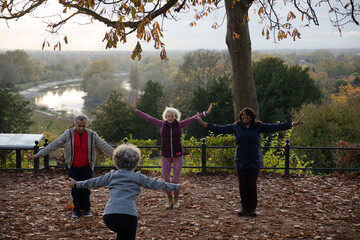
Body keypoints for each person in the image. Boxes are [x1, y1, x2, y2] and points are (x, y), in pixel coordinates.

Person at [63, 143, 191, 240]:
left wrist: (75, 184)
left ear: (116, 161)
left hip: (109, 217)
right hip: (128, 216)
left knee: (121, 234)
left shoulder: (112, 175)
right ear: (136, 162)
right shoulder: (137, 177)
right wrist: (178, 187)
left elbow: (93, 182)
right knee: (127, 233)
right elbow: (158, 184)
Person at [197, 108, 304, 217]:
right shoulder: (236, 127)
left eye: (247, 115)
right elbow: (220, 129)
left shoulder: (258, 127)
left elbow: (275, 127)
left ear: (252, 117)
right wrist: (203, 124)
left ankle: (252, 208)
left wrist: (292, 124)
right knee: (243, 185)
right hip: (240, 161)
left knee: (251, 185)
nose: (244, 117)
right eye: (243, 115)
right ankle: (244, 208)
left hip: (254, 161)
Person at [28, 115, 114, 218]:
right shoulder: (68, 134)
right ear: (75, 124)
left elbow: (104, 146)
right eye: (79, 126)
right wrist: (39, 154)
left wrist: (118, 154)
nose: (81, 128)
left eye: (83, 126)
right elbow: (55, 144)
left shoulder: (92, 135)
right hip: (73, 167)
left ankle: (86, 210)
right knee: (75, 190)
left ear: (86, 124)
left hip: (87, 167)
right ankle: (76, 210)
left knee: (86, 189)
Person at [133, 101, 212, 209]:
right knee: (166, 180)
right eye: (168, 116)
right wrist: (137, 111)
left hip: (177, 156)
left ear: (175, 117)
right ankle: (169, 200)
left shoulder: (180, 125)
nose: (170, 118)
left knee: (175, 180)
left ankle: (176, 200)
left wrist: (205, 113)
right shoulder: (161, 124)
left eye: (172, 116)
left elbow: (193, 118)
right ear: (165, 117)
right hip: (165, 156)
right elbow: (149, 118)